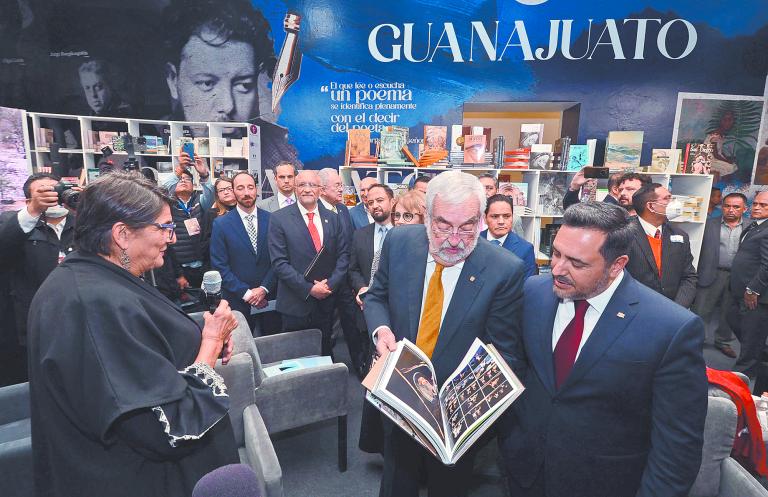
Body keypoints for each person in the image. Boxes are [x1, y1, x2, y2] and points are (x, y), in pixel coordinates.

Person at [27, 171, 240, 497]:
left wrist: (199, 343)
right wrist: (209, 346)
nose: (171, 238)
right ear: (123, 234)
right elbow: (168, 428)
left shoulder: (98, 278)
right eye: (164, 228)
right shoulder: (93, 304)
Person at [498, 202, 707, 497]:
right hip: (524, 474)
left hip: (602, 483)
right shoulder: (534, 292)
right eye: (557, 253)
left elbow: (677, 448)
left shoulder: (671, 328)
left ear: (617, 264)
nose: (557, 269)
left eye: (577, 263)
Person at [363, 171, 526, 497]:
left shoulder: (504, 269)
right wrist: (381, 331)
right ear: (426, 217)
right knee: (397, 482)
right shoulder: (399, 242)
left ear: (481, 219)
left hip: (455, 414)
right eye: (442, 225)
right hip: (400, 397)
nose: (454, 239)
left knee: (448, 487)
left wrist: (469, 404)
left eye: (467, 226)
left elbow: (505, 352)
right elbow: (376, 296)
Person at [161, 0, 300, 171]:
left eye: (243, 85)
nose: (227, 106)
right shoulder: (150, 152)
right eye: (207, 83)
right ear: (173, 80)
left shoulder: (283, 152)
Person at [0, 173, 76, 384]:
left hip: (76, 321)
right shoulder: (14, 224)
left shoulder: (81, 225)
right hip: (30, 327)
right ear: (28, 200)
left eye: (57, 191)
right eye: (44, 193)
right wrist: (33, 211)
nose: (53, 197)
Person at [268, 170, 349, 356]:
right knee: (295, 359)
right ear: (295, 189)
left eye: (312, 185)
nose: (307, 190)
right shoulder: (279, 219)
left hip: (326, 302)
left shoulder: (334, 218)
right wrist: (309, 289)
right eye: (302, 185)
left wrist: (330, 284)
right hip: (295, 304)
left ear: (320, 190)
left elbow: (343, 255)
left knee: (325, 353)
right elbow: (279, 263)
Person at [349, 183, 394, 453]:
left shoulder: (405, 233)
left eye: (380, 200)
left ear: (391, 201)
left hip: (396, 315)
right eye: (370, 203)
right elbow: (353, 269)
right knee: (374, 374)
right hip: (368, 312)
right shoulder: (360, 235)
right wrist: (361, 288)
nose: (375, 205)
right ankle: (377, 438)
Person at [210, 172, 275, 332]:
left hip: (270, 297)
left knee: (274, 348)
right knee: (242, 351)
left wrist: (264, 289)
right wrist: (247, 294)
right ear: (233, 191)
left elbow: (279, 259)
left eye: (250, 187)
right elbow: (220, 267)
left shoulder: (273, 219)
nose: (246, 193)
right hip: (237, 301)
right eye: (240, 188)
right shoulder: (221, 224)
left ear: (257, 190)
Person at [318, 168, 365, 374]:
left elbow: (350, 243)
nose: (342, 189)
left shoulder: (344, 209)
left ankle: (360, 366)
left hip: (346, 280)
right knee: (325, 329)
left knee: (352, 326)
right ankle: (329, 370)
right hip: (325, 282)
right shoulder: (315, 211)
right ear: (322, 189)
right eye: (337, 185)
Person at [624, 183, 697, 308]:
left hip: (670, 310)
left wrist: (677, 308)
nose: (674, 202)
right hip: (632, 308)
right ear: (651, 206)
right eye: (667, 198)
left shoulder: (680, 235)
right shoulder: (624, 233)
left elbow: (688, 276)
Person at [692, 192, 747, 358]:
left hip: (737, 277)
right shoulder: (709, 225)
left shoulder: (751, 227)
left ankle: (723, 341)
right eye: (727, 206)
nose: (731, 210)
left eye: (736, 207)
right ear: (722, 207)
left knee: (729, 312)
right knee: (701, 310)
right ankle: (694, 342)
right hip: (711, 272)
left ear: (745, 209)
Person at [729, 191, 768, 385]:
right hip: (739, 290)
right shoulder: (754, 226)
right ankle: (758, 355)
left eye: (764, 205)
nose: (757, 207)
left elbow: (767, 264)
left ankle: (739, 379)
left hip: (756, 295)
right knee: (734, 320)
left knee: (753, 335)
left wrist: (754, 289)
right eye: (756, 204)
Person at [169, 168, 209, 288]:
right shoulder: (168, 204)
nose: (183, 181)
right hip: (179, 266)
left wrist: (204, 175)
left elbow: (211, 194)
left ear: (193, 184)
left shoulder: (200, 200)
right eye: (180, 179)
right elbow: (161, 190)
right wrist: (178, 274)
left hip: (202, 263)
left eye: (187, 179)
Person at [480, 194, 536, 279]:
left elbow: (527, 286)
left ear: (512, 217)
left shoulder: (525, 249)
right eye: (495, 216)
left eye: (506, 216)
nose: (501, 221)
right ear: (485, 218)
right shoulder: (474, 242)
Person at [201, 177, 236, 263]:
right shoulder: (211, 214)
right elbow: (203, 246)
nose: (226, 192)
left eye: (229, 189)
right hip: (220, 262)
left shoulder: (244, 211)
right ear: (217, 195)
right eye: (221, 190)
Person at [703, 110, 739, 178]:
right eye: (725, 120)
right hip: (708, 160)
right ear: (721, 121)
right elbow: (715, 154)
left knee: (734, 165)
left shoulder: (721, 135)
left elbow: (719, 151)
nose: (728, 123)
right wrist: (727, 161)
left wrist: (727, 159)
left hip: (715, 159)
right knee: (731, 167)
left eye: (730, 120)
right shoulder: (715, 135)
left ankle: (722, 178)